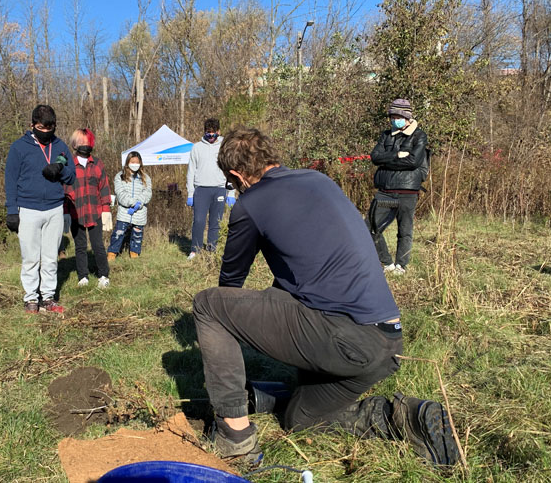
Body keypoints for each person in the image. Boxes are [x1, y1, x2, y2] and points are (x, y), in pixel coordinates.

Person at [192, 128, 458, 466]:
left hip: (344, 338)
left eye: (233, 184)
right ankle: (407, 419)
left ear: (236, 175)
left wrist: (225, 347)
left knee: (208, 307)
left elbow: (228, 288)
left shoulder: (250, 204)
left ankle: (234, 438)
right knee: (299, 419)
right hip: (385, 344)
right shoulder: (318, 180)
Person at [5, 105, 75, 314]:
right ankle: (31, 299)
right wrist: (12, 210)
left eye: (49, 127)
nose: (45, 132)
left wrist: (60, 170)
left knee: (51, 257)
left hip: (54, 208)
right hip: (28, 208)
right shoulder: (19, 148)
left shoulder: (60, 146)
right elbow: (10, 180)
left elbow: (72, 176)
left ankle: (48, 297)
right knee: (30, 257)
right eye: (41, 127)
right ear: (32, 125)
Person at [367, 99, 429, 276]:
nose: (394, 120)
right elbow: (375, 157)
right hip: (385, 191)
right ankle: (387, 262)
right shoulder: (386, 135)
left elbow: (413, 161)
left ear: (407, 117)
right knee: (370, 228)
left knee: (405, 230)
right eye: (392, 116)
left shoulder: (419, 135)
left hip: (407, 192)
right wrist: (396, 155)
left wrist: (388, 161)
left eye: (398, 116)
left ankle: (401, 266)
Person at [64, 128, 113, 289]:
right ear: (75, 144)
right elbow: (64, 189)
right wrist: (65, 212)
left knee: (98, 245)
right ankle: (83, 276)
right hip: (75, 212)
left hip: (95, 211)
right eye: (81, 142)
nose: (84, 145)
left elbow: (104, 186)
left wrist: (106, 209)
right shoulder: (69, 164)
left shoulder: (97, 163)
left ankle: (103, 275)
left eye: (87, 142)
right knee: (80, 246)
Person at [185, 118, 236, 259]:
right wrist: (190, 193)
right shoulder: (197, 147)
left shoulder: (225, 147)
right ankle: (195, 250)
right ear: (205, 132)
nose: (211, 136)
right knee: (199, 220)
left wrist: (231, 192)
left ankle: (212, 250)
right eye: (208, 133)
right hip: (201, 189)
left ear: (218, 132)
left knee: (215, 222)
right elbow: (191, 171)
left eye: (214, 133)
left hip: (219, 189)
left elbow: (231, 170)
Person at [108, 151, 152, 259]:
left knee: (137, 236)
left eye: (137, 162)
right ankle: (112, 253)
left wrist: (139, 203)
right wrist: (132, 203)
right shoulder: (120, 176)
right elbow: (120, 193)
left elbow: (148, 192)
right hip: (124, 212)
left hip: (140, 213)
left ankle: (134, 254)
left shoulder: (145, 178)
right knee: (118, 233)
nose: (135, 164)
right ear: (128, 162)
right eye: (132, 162)